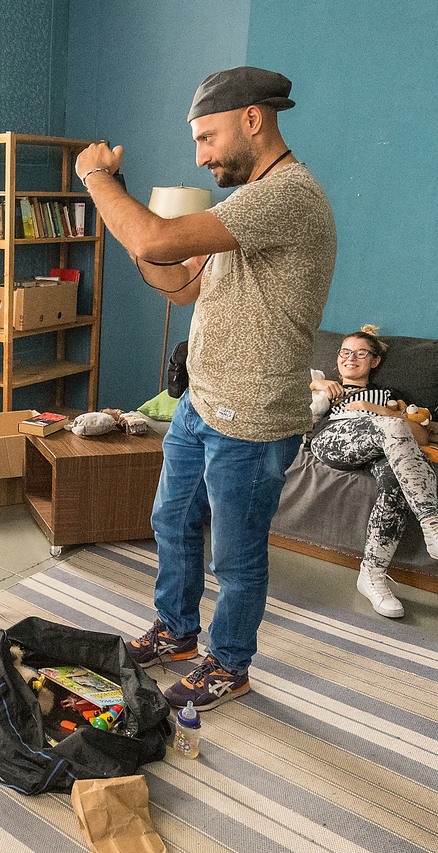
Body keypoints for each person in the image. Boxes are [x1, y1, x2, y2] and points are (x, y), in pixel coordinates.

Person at [75, 67, 337, 711]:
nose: (200, 156)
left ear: (253, 119)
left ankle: (228, 664)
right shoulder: (245, 205)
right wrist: (131, 217)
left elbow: (154, 237)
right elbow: (180, 284)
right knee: (171, 520)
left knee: (236, 558)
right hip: (200, 403)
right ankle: (177, 630)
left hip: (251, 418)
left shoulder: (287, 196)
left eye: (207, 137)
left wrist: (97, 179)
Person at [309, 327, 438, 617]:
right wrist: (317, 384)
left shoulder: (390, 396)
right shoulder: (326, 386)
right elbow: (286, 393)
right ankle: (433, 524)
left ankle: (372, 575)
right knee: (393, 431)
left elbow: (420, 437)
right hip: (335, 438)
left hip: (383, 445)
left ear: (374, 361)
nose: (351, 358)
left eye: (360, 353)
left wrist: (378, 410)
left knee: (396, 479)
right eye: (345, 352)